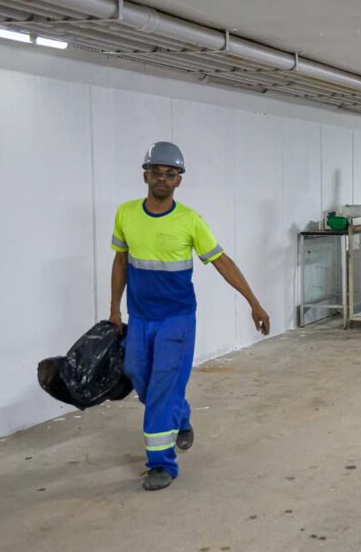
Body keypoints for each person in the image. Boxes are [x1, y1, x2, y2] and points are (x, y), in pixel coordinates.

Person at [109, 141, 270, 491]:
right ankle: (180, 416)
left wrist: (253, 302)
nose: (163, 180)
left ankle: (161, 464)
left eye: (171, 175)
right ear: (145, 175)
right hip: (139, 316)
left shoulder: (190, 220)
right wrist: (113, 310)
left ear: (179, 181)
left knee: (163, 384)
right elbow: (120, 261)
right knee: (138, 375)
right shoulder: (125, 214)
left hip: (176, 319)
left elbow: (222, 262)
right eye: (157, 173)